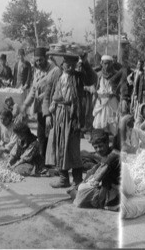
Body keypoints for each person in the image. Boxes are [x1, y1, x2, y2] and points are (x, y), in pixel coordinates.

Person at [46, 48, 96, 188]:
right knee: (60, 146)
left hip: (72, 116)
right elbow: (52, 95)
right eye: (66, 63)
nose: (69, 66)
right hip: (59, 115)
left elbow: (91, 79)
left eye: (72, 63)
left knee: (73, 147)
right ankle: (63, 178)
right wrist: (50, 113)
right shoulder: (59, 77)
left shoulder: (79, 77)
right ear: (62, 64)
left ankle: (78, 180)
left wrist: (85, 63)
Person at [21, 47, 62, 174]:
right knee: (41, 134)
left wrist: (44, 99)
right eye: (36, 61)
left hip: (52, 108)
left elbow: (55, 91)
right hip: (40, 109)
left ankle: (53, 162)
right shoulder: (37, 71)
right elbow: (33, 91)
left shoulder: (54, 71)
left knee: (51, 135)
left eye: (41, 60)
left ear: (46, 58)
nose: (38, 63)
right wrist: (25, 105)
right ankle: (43, 161)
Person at [73, 129, 120, 211]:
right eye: (96, 147)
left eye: (101, 146)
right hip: (106, 183)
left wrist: (100, 200)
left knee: (80, 193)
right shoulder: (105, 156)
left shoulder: (112, 157)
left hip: (113, 187)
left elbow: (106, 180)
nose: (98, 149)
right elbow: (97, 168)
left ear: (107, 143)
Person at [92, 55, 121, 135]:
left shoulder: (116, 74)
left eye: (108, 64)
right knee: (100, 124)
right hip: (101, 102)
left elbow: (119, 89)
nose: (107, 66)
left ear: (112, 64)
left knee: (113, 124)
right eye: (105, 63)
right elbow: (95, 88)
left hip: (112, 102)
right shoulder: (99, 75)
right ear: (101, 63)